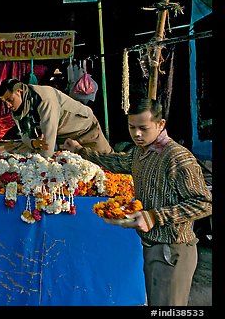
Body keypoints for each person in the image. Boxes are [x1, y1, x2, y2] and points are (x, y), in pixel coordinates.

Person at [63, 97, 212, 306]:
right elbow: (116, 161)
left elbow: (205, 203)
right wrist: (80, 150)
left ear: (160, 125)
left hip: (172, 249)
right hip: (152, 246)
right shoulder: (141, 153)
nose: (137, 134)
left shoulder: (177, 157)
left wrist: (153, 216)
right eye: (132, 127)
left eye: (143, 127)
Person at [0, 77, 112, 158]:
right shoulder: (17, 110)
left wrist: (42, 165)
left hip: (85, 129)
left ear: (19, 92)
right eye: (4, 102)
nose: (8, 105)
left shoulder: (45, 99)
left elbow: (49, 139)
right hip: (64, 138)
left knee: (105, 162)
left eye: (10, 100)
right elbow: (24, 134)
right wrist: (33, 143)